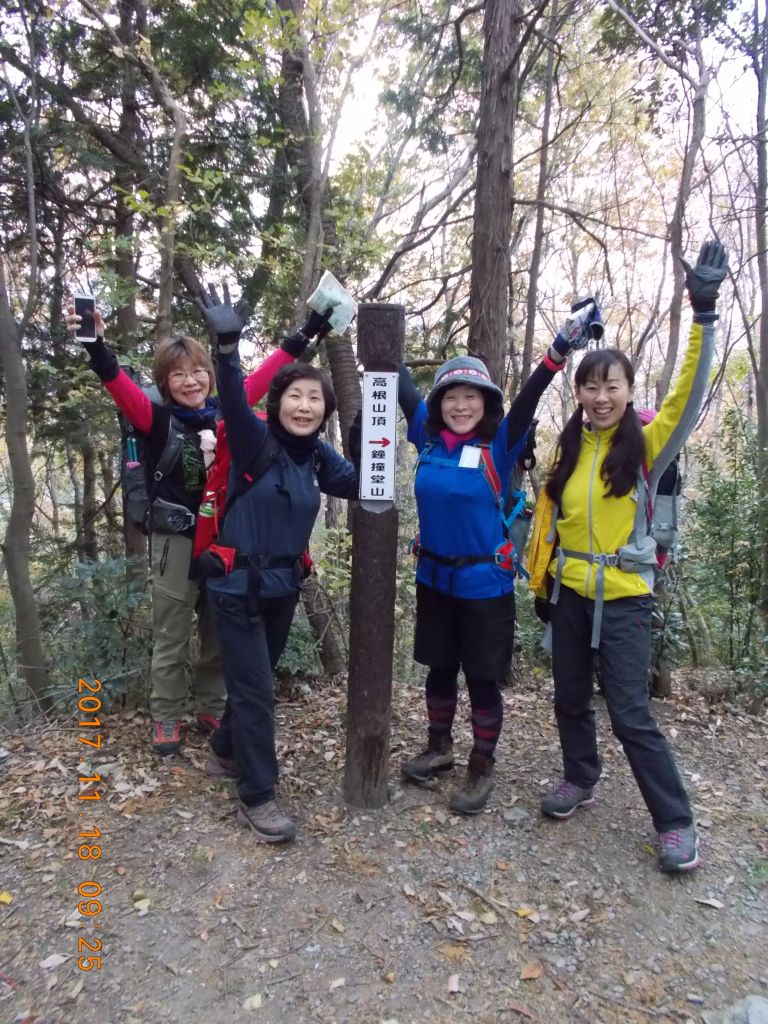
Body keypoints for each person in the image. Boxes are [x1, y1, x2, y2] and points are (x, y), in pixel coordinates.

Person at [537, 239, 728, 873]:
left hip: (623, 599)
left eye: (610, 386)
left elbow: (686, 397)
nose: (598, 397)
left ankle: (675, 821)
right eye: (589, 387)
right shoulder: (567, 451)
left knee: (630, 714)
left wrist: (702, 315)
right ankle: (579, 777)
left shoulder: (645, 447)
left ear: (625, 391)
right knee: (568, 697)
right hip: (569, 596)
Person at [66, 296, 328, 757]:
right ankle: (166, 716)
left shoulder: (227, 409)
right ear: (166, 383)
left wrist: (304, 333)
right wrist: (95, 346)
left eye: (199, 372)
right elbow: (118, 385)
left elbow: (267, 374)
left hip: (223, 543)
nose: (191, 381)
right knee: (171, 633)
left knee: (216, 629)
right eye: (178, 375)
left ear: (210, 375)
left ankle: (211, 705)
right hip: (175, 540)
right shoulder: (154, 418)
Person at [397, 303, 601, 814]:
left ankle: (481, 764)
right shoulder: (427, 438)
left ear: (484, 403)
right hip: (433, 578)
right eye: (451, 397)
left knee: (482, 677)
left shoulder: (499, 445)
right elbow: (400, 384)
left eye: (471, 397)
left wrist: (557, 352)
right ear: (439, 403)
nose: (460, 406)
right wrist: (364, 327)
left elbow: (530, 399)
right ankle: (439, 747)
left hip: (484, 584)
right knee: (439, 669)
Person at [196, 287, 359, 844]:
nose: (306, 406)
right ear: (280, 402)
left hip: (283, 585)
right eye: (297, 396)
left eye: (316, 399)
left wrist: (377, 433)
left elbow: (358, 484)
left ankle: (222, 750)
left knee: (251, 684)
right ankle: (258, 794)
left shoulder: (316, 454)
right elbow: (235, 399)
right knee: (257, 689)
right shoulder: (253, 440)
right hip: (236, 585)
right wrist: (225, 349)